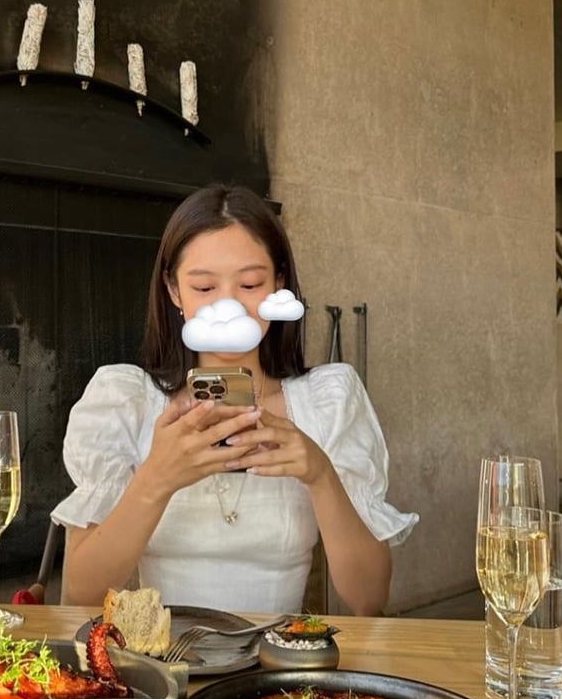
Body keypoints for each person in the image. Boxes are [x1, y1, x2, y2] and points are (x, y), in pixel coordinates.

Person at [53, 184, 417, 614]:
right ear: (173, 291)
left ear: (279, 284)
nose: (228, 307)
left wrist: (321, 474)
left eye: (249, 284)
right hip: (166, 655)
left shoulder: (327, 402)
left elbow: (370, 600)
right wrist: (156, 479)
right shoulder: (128, 402)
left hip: (280, 655)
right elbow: (81, 594)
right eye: (204, 287)